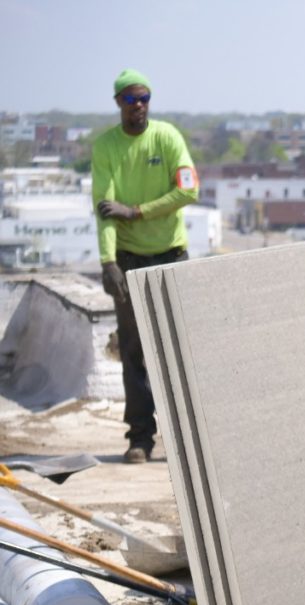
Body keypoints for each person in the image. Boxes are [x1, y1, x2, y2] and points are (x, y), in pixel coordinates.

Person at [91, 69, 199, 463]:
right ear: (118, 102)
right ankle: (140, 438)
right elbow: (104, 209)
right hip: (129, 259)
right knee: (134, 354)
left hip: (171, 255)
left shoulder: (167, 137)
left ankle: (187, 440)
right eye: (131, 99)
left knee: (176, 350)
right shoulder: (106, 147)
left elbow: (188, 189)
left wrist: (135, 212)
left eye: (145, 98)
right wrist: (107, 262)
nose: (139, 106)